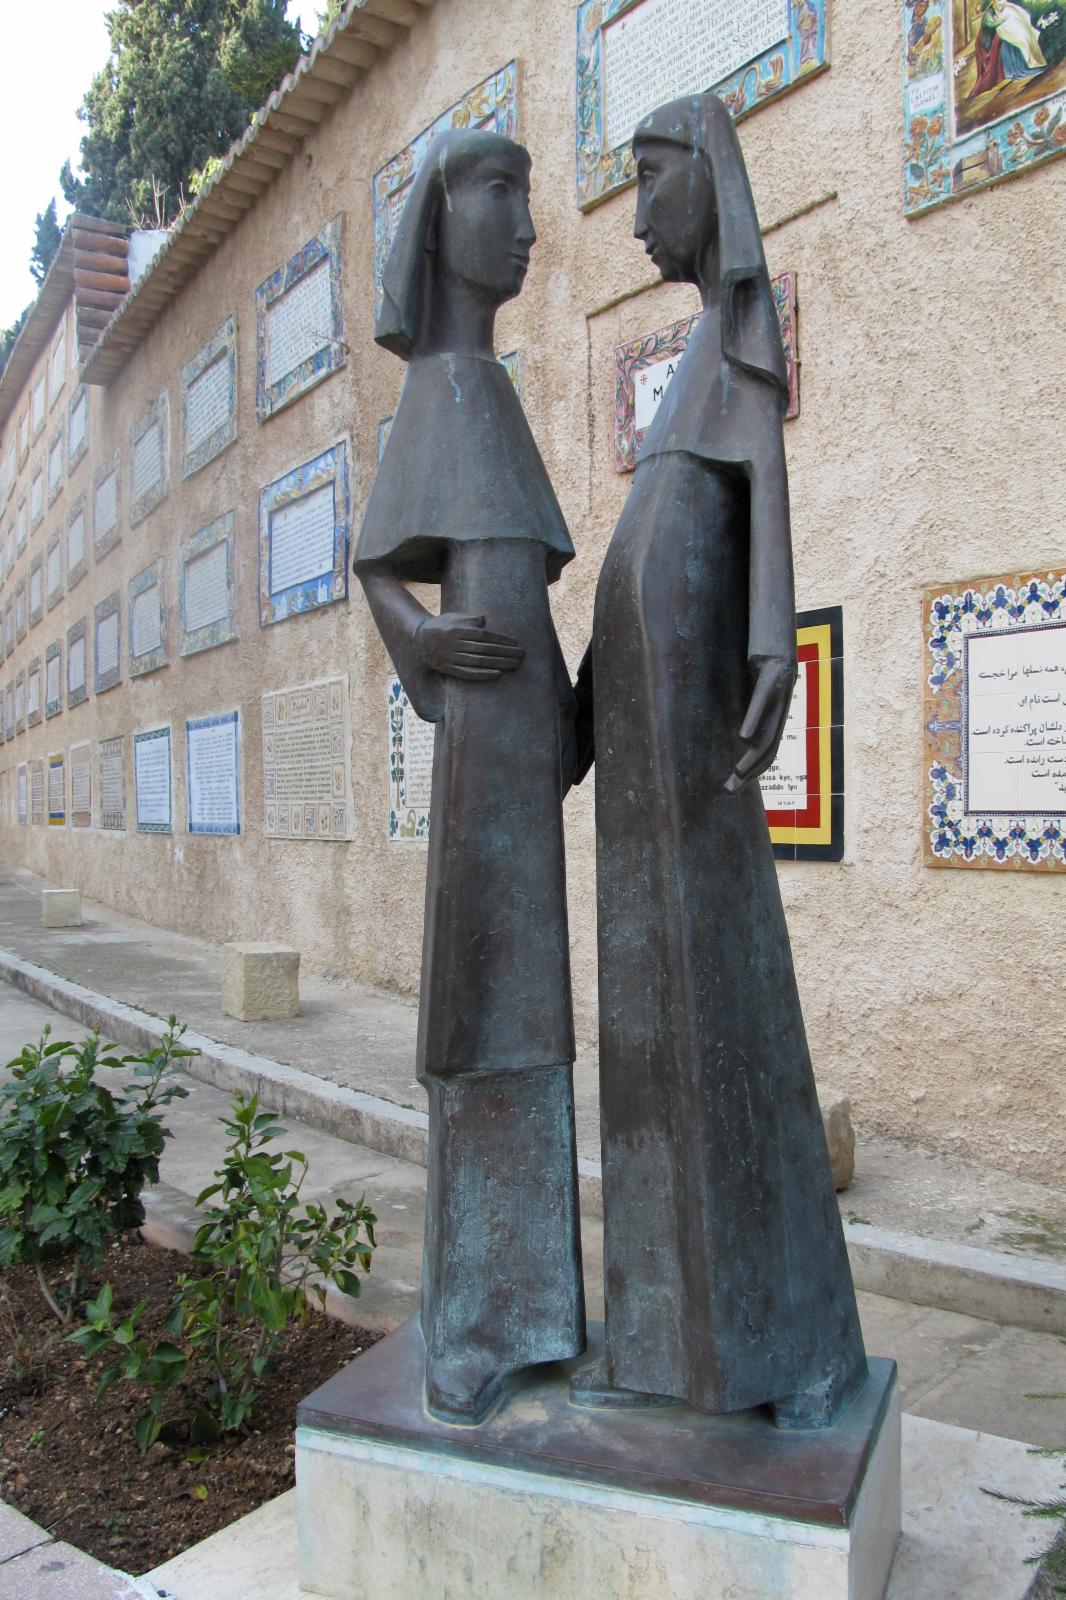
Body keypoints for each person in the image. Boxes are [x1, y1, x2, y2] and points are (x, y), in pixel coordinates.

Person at [575, 94, 867, 1428]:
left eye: (650, 182)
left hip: (691, 717)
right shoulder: (694, 344)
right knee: (652, 1022)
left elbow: (758, 493)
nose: (636, 214)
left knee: (717, 1014)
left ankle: (771, 1342)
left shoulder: (739, 328)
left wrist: (771, 645)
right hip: (642, 722)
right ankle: (665, 1342)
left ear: (705, 179)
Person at [354, 129, 585, 1425]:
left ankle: (537, 1312)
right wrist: (427, 640)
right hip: (479, 775)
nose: (528, 226)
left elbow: (525, 590)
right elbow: (378, 562)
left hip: (521, 759)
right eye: (504, 196)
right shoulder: (441, 385)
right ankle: (474, 1324)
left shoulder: (483, 388)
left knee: (532, 1026)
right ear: (446, 223)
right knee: (482, 1017)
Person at [971, 0, 1047, 97]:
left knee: (1015, 38)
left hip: (994, 38)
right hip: (987, 45)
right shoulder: (987, 16)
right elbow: (993, 24)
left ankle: (1024, 65)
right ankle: (1016, 70)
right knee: (1007, 43)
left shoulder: (995, 9)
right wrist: (1004, 18)